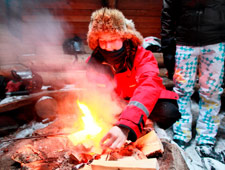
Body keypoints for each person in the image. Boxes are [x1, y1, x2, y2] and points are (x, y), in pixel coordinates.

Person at [86, 7, 181, 149]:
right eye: (102, 41)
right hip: (117, 104)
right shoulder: (94, 62)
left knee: (167, 111)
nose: (108, 47)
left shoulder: (143, 56)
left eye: (113, 39)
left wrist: (125, 126)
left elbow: (149, 86)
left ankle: (148, 124)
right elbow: (94, 95)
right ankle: (131, 122)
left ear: (124, 38)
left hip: (142, 101)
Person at [161, 0, 225, 162]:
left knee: (211, 91)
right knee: (181, 89)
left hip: (216, 41)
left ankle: (206, 138)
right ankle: (182, 133)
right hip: (184, 43)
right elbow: (168, 14)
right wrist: (168, 45)